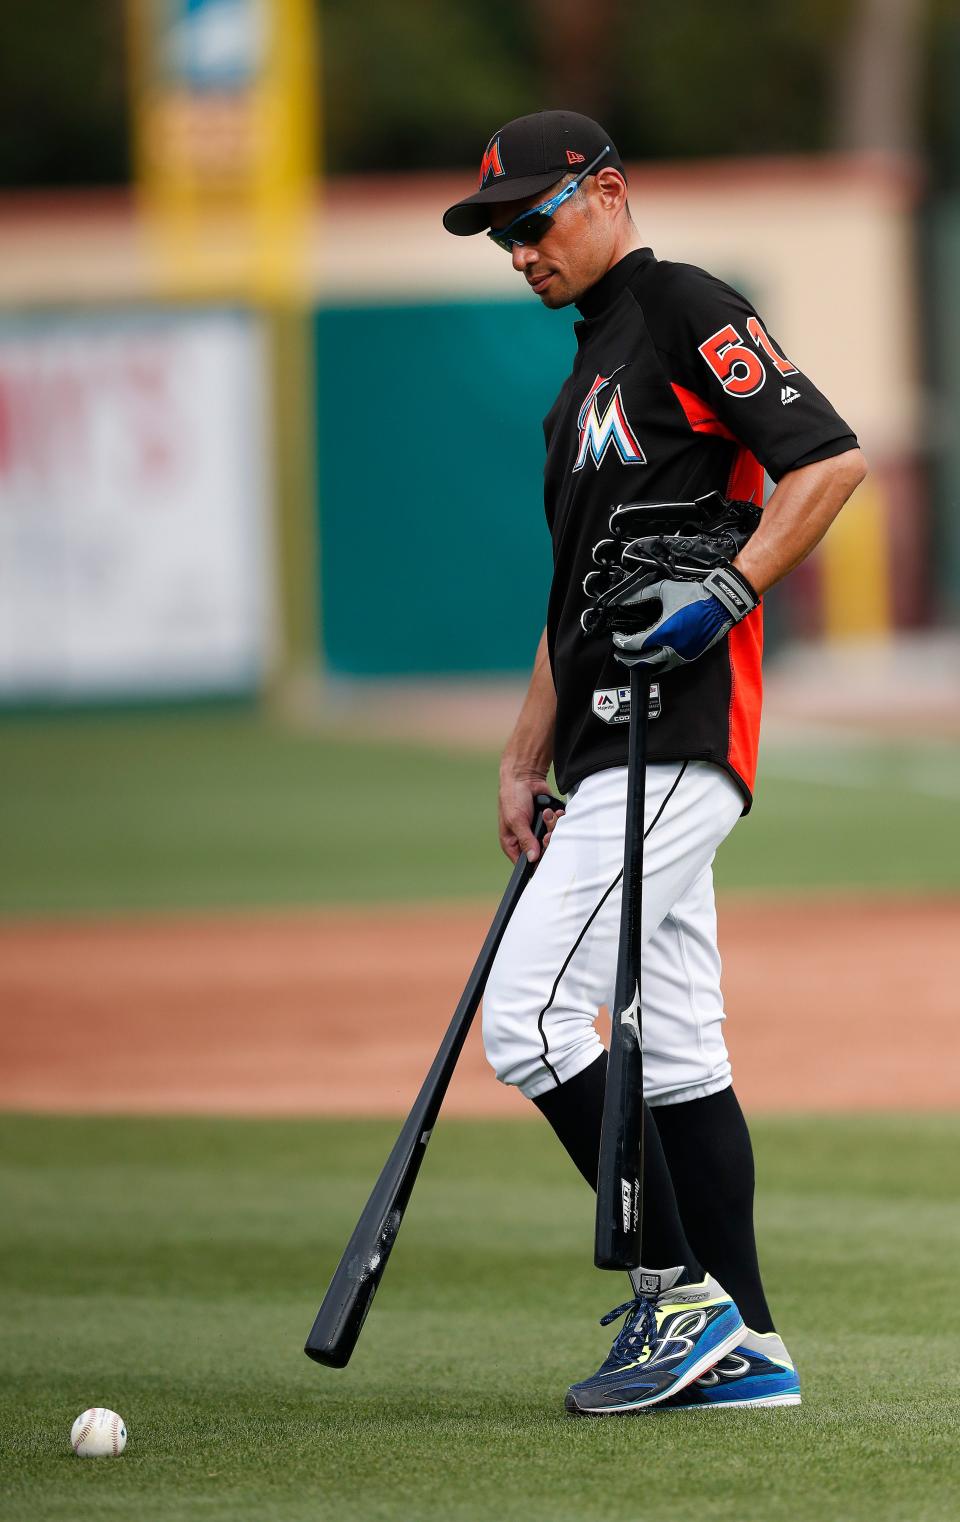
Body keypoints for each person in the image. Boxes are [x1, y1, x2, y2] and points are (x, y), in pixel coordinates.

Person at [442, 110, 866, 1415]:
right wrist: (524, 752)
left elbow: (830, 457)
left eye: (534, 219)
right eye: (502, 235)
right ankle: (749, 1351)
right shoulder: (578, 390)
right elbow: (573, 602)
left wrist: (731, 591)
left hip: (675, 734)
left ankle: (680, 1294)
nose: (520, 249)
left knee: (525, 1016)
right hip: (602, 739)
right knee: (674, 1046)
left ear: (606, 190)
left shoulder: (684, 307)